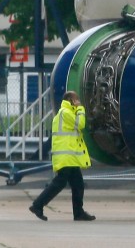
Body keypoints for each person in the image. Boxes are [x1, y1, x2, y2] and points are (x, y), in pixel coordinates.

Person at [29, 91, 96, 221]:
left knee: (78, 184)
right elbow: (81, 124)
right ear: (70, 100)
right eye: (76, 100)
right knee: (60, 182)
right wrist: (81, 109)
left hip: (69, 157)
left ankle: (78, 213)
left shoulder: (66, 113)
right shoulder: (66, 113)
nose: (78, 102)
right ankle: (37, 205)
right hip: (66, 156)